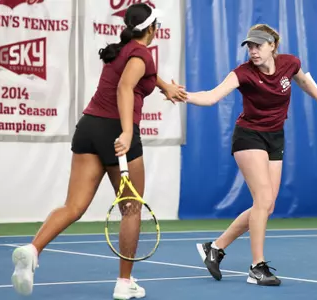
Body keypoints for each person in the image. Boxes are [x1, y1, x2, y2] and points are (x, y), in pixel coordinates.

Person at [10, 3, 186, 299]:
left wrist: (165, 86)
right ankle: (123, 283)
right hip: (116, 131)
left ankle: (32, 249)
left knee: (73, 206)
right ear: (153, 29)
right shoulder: (142, 54)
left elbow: (140, 73)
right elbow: (125, 88)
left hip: (89, 129)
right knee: (131, 209)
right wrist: (128, 132)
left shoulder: (124, 50)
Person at [186, 24, 317, 286]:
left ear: (272, 46)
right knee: (262, 199)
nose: (253, 51)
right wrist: (184, 95)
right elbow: (211, 97)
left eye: (258, 46)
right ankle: (257, 267)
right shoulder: (243, 73)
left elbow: (303, 79)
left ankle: (215, 247)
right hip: (248, 136)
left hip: (274, 137)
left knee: (267, 206)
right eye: (250, 46)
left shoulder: (289, 64)